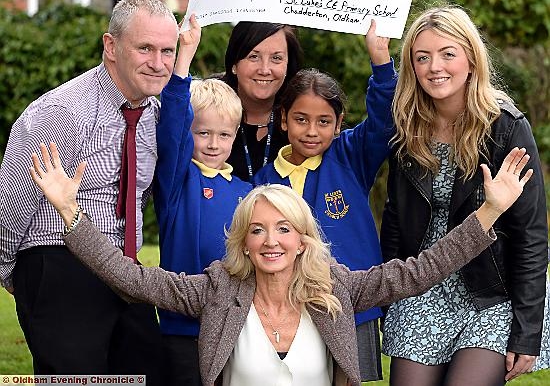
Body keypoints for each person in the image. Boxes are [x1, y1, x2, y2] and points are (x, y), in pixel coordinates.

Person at [30, 141, 532, 386]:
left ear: (303, 241)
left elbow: (421, 269)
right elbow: (131, 278)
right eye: (258, 229)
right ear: (244, 242)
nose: (271, 241)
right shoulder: (216, 289)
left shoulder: (338, 289)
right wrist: (72, 215)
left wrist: (489, 211)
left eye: (284, 229)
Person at [0, 0, 179, 381]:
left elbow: (139, 193)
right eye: (145, 48)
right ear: (110, 47)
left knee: (149, 372)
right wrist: (19, 277)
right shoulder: (62, 112)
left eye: (168, 50)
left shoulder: (157, 114)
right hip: (59, 260)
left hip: (123, 269)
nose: (159, 62)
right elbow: (12, 201)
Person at [380, 5, 548, 386]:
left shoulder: (506, 127)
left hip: (490, 291)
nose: (434, 66)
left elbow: (531, 234)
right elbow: (395, 219)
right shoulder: (407, 127)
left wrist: (526, 332)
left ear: (471, 59)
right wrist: (390, 302)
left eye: (447, 54)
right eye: (422, 57)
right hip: (424, 282)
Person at [254, 19, 395, 381]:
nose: (312, 131)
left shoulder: (351, 156)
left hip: (350, 308)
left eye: (323, 121)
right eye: (301, 119)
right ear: (283, 119)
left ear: (339, 123)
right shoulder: (263, 183)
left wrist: (381, 60)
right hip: (289, 310)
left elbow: (383, 119)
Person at [154, 15, 252, 385]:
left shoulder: (246, 192)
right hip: (183, 325)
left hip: (234, 326)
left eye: (224, 134)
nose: (213, 143)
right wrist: (184, 59)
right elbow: (173, 126)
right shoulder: (179, 180)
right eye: (203, 133)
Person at [221, 22, 302, 182]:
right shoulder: (205, 112)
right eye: (254, 56)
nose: (265, 70)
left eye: (276, 58)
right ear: (234, 64)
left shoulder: (302, 120)